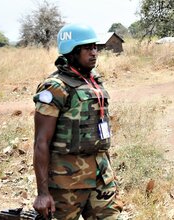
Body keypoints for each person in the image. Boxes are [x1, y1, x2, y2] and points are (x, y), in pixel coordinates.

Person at [32, 23, 121, 219]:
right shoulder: (54, 87)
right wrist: (43, 193)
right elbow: (41, 142)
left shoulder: (94, 81)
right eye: (87, 48)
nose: (94, 52)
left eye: (95, 47)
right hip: (66, 183)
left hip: (101, 178)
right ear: (72, 51)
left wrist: (110, 175)